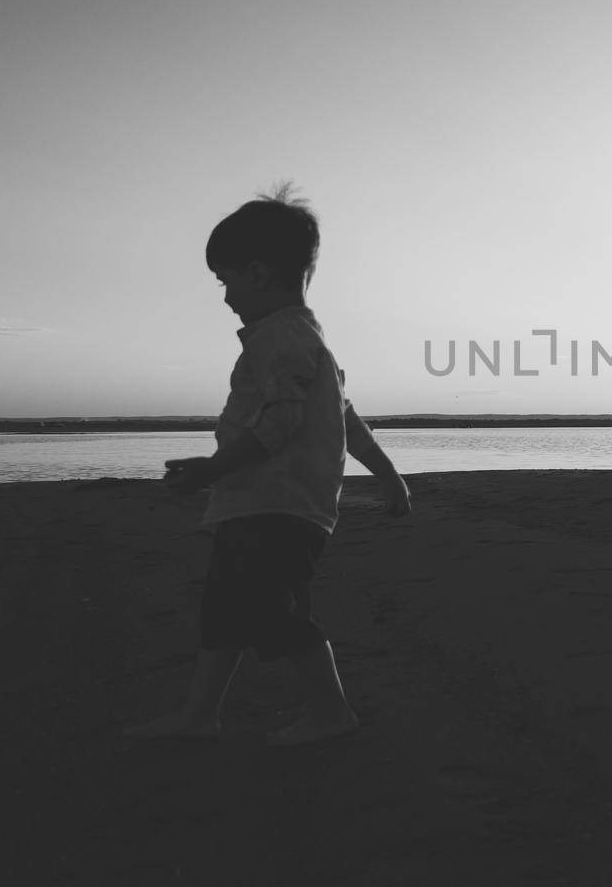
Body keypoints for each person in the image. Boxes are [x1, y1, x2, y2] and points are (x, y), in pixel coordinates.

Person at [125, 184, 412, 746]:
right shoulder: (308, 342)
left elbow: (278, 426)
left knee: (274, 612)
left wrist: (210, 470)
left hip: (276, 507)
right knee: (226, 612)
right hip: (260, 504)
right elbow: (346, 420)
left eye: (225, 279)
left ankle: (331, 712)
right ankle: (200, 713)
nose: (225, 295)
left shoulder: (281, 340)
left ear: (257, 273)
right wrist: (388, 474)